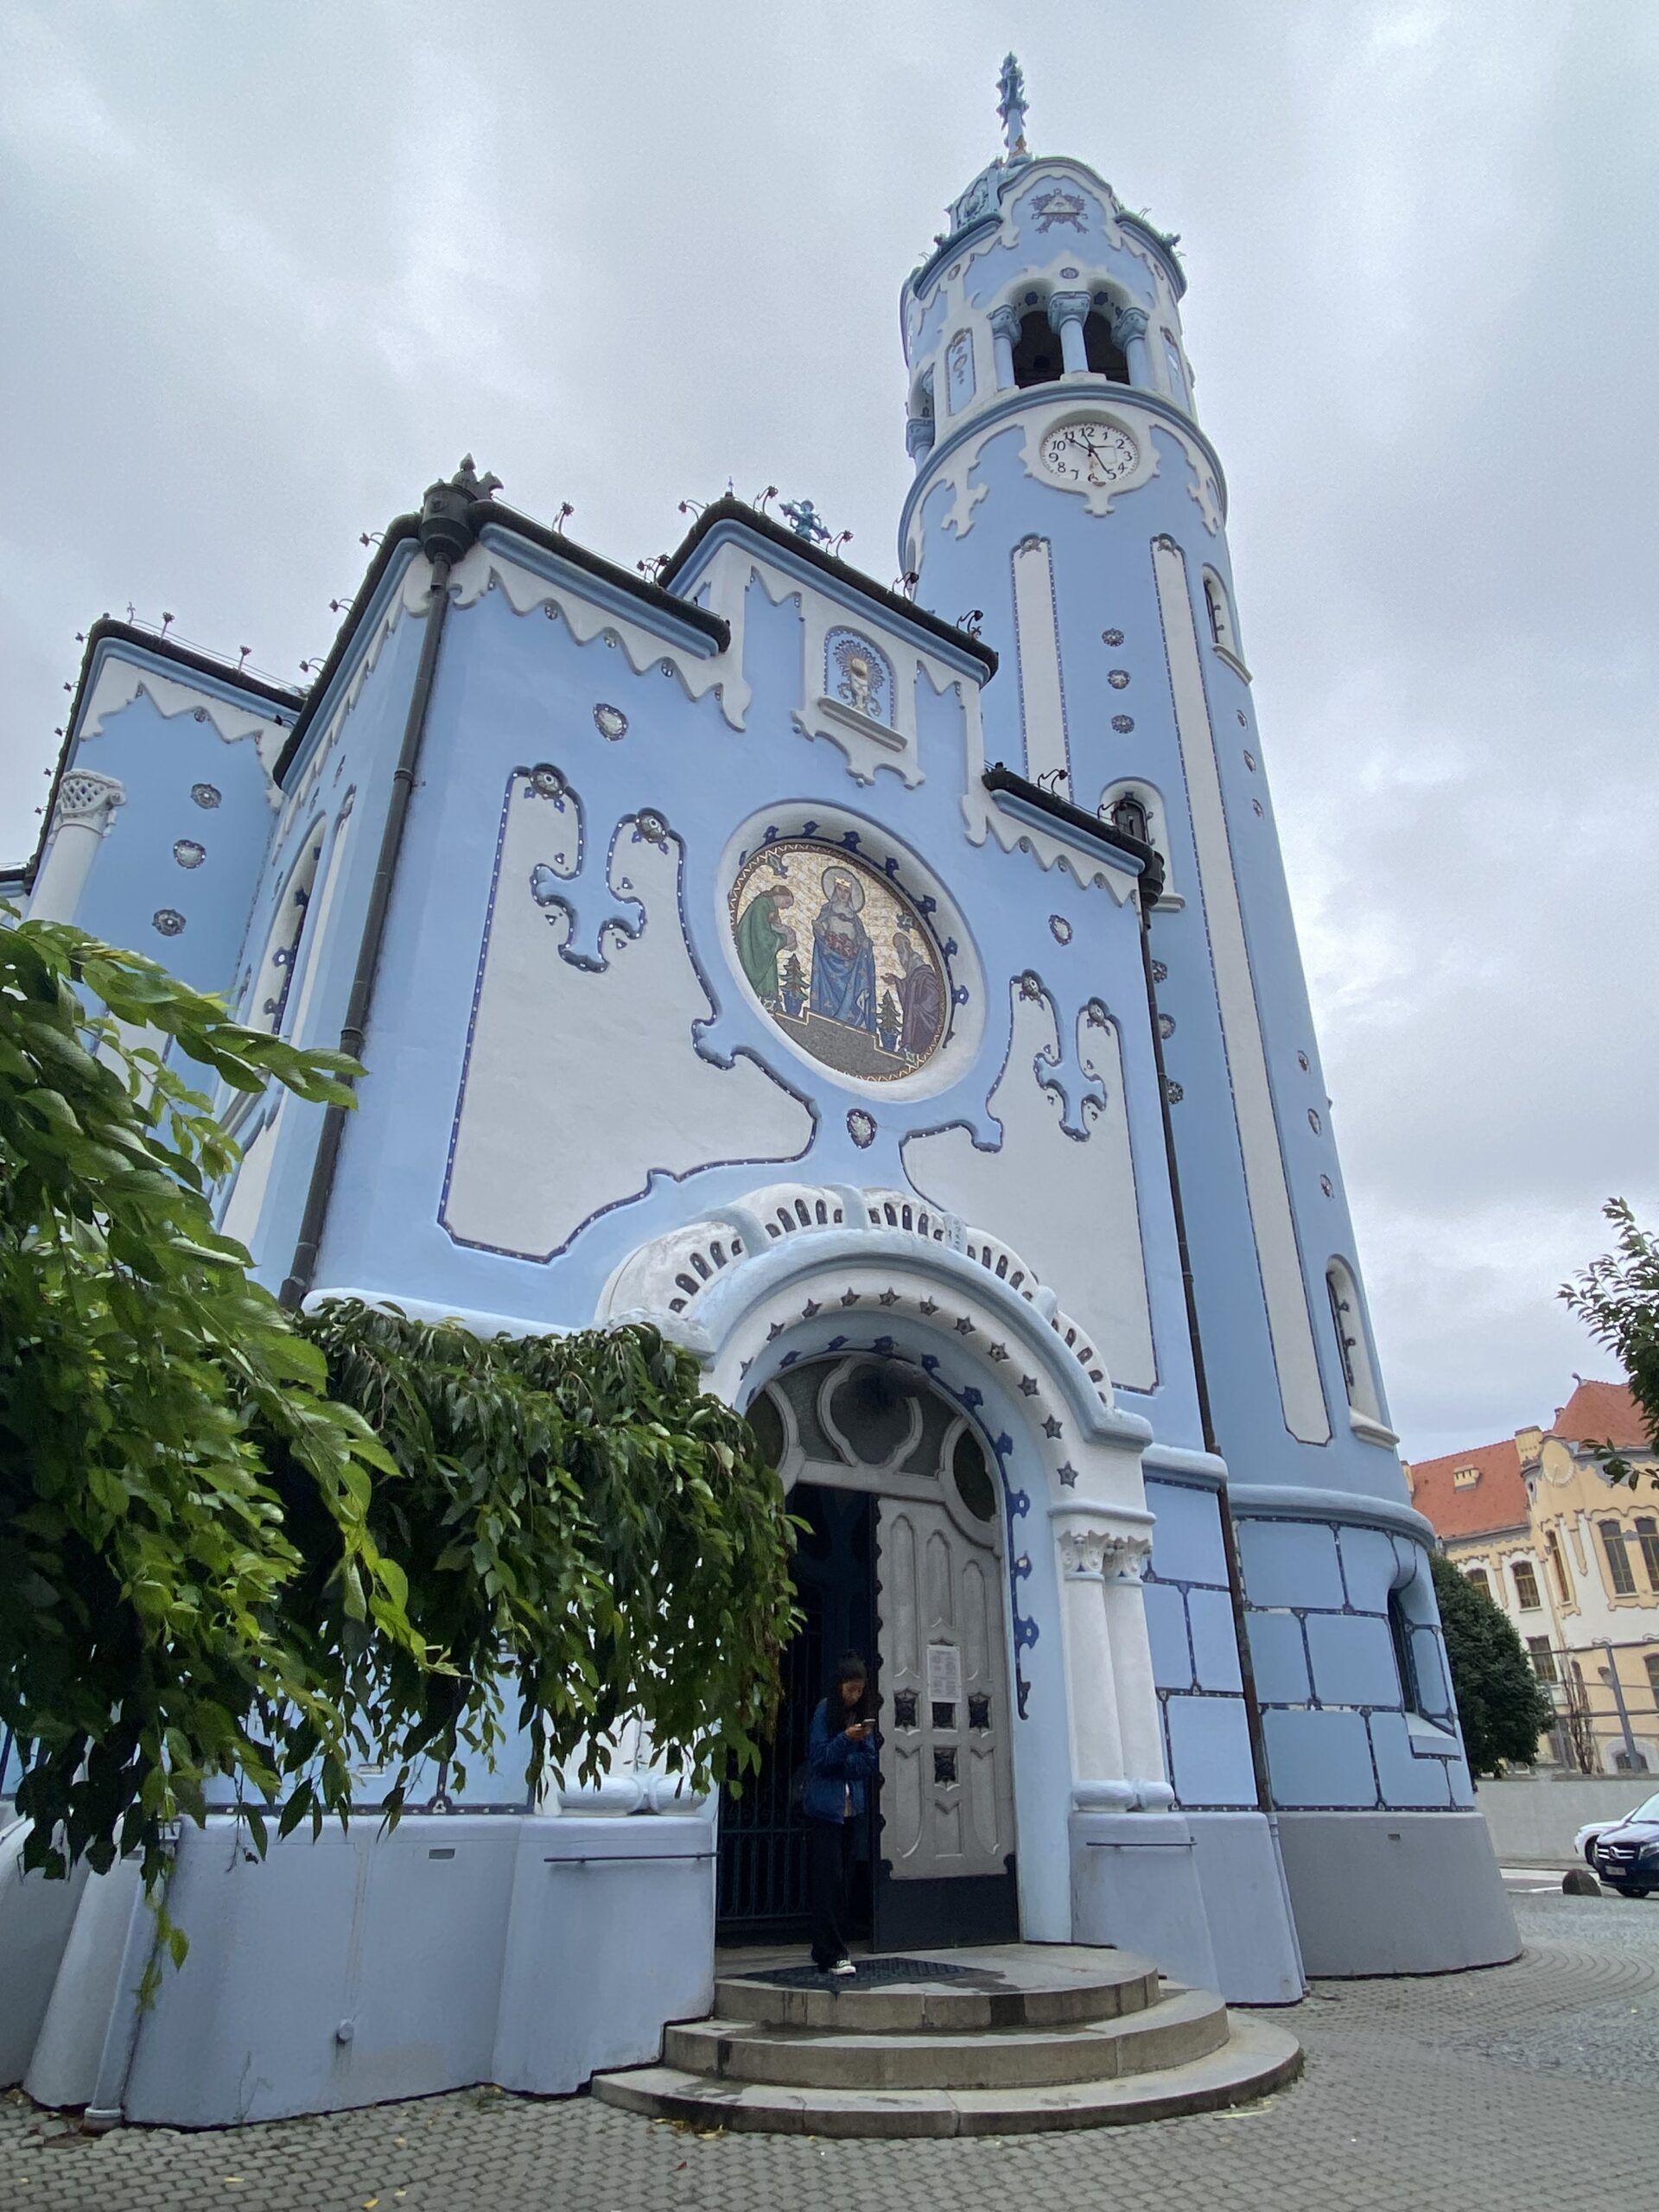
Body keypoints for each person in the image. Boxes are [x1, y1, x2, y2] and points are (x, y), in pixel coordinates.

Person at [802, 1651, 879, 1976]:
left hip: (849, 1810)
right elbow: (819, 1758)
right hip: (824, 1811)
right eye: (850, 1689)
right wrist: (846, 1741)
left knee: (843, 1879)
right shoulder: (825, 1713)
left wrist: (847, 1755)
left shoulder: (862, 1719)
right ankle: (833, 1953)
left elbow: (869, 1762)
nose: (854, 1696)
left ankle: (828, 1948)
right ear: (839, 1687)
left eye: (859, 1691)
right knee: (827, 1881)